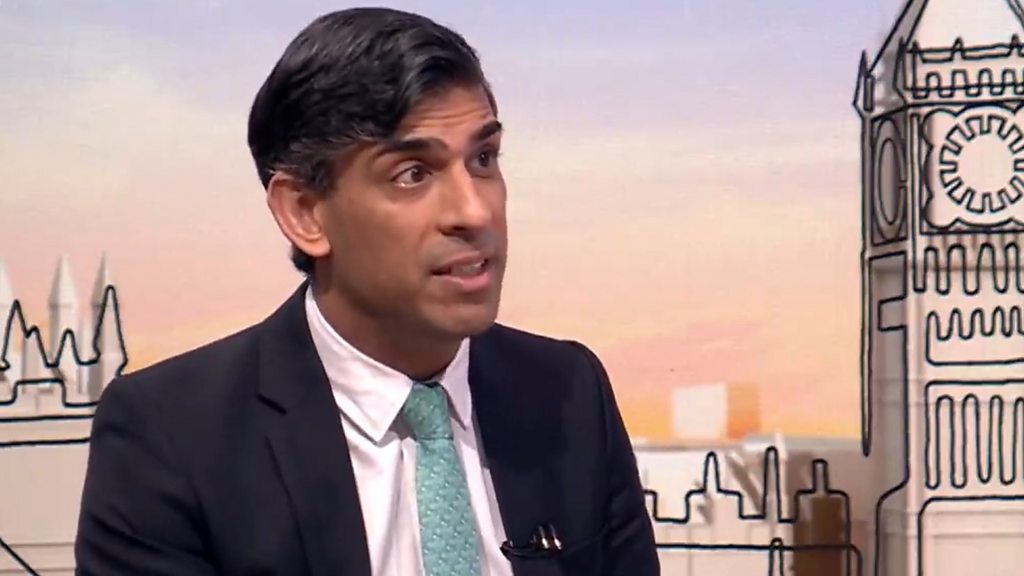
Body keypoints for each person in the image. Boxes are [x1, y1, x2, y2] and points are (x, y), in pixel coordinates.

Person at [74, 7, 659, 576]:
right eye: (413, 174)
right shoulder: (171, 436)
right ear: (305, 213)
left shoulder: (568, 392)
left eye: (483, 159)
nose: (475, 210)